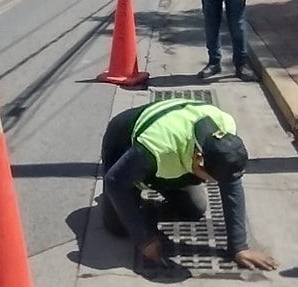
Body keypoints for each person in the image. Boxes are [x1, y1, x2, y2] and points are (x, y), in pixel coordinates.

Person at [101, 98, 278, 271]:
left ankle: (142, 203)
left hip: (173, 155)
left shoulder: (226, 131)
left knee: (194, 209)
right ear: (200, 161)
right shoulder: (158, 147)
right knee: (117, 226)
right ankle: (135, 197)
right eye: (212, 178)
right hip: (123, 143)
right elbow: (114, 182)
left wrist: (239, 247)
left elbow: (232, 186)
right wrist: (144, 239)